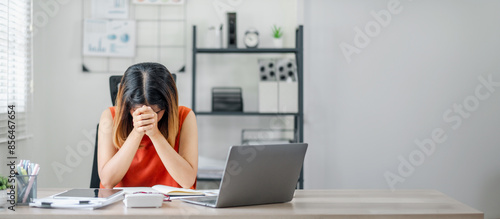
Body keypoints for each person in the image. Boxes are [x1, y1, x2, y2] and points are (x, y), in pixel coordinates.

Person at [97, 62, 198, 189]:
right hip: (122, 204)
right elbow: (107, 181)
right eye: (136, 111)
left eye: (154, 112)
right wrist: (137, 132)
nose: (145, 117)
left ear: (167, 106)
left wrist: (155, 134)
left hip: (173, 204)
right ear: (126, 105)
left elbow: (187, 181)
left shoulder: (185, 116)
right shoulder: (110, 116)